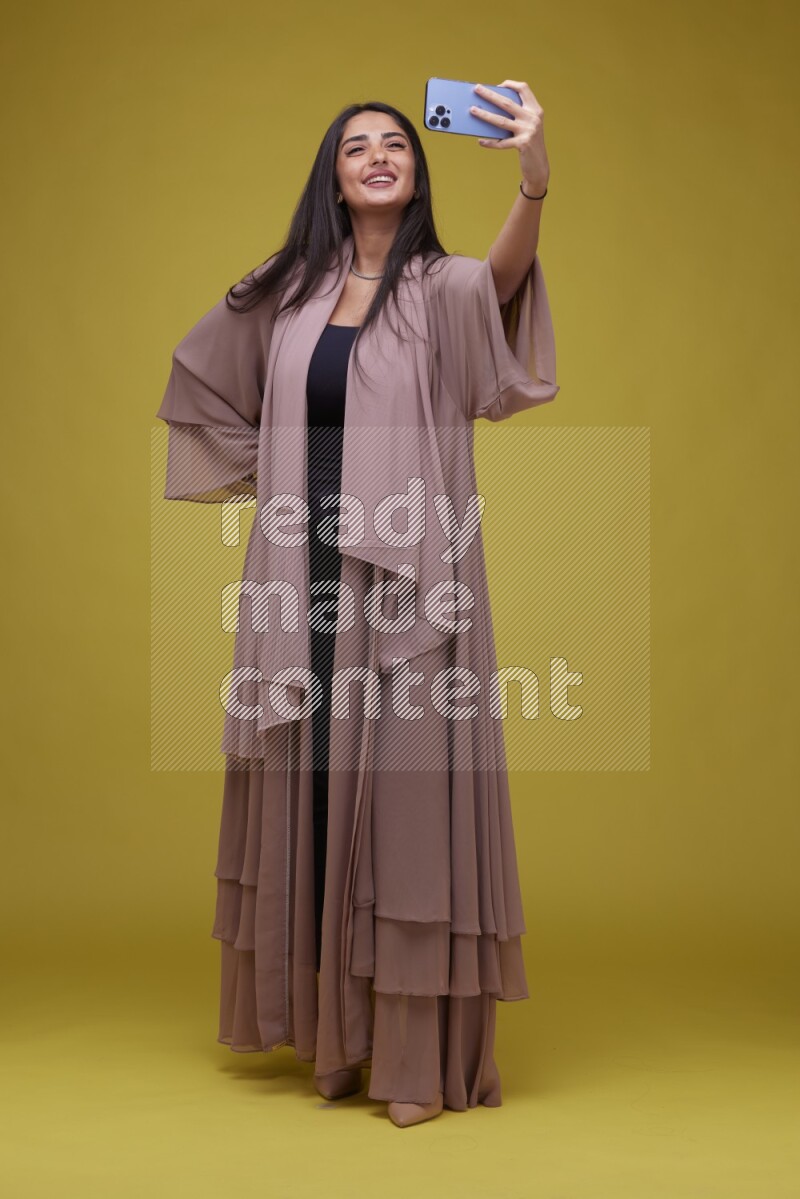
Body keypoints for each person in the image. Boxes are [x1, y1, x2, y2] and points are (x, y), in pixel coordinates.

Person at [155, 81, 557, 1128]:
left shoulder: (440, 287)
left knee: (409, 797)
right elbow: (204, 380)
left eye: (394, 144)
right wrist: (277, 477)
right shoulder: (287, 294)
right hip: (305, 572)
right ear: (332, 178)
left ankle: (414, 1058)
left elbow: (503, 277)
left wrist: (531, 177)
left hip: (408, 577)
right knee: (317, 791)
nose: (377, 156)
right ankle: (337, 1039)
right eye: (354, 148)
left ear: (416, 173)